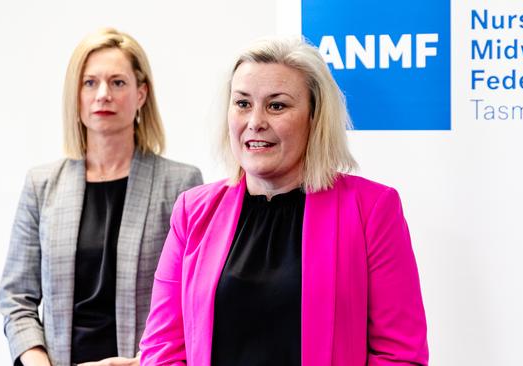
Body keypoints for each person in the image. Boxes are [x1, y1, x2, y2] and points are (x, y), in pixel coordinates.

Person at [139, 36, 428, 365]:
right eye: (243, 103)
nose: (255, 122)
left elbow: (400, 354)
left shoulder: (371, 210)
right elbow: (163, 347)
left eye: (277, 105)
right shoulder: (193, 212)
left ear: (314, 118)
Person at [0, 28, 202, 366]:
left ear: (141, 94)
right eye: (89, 83)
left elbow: (191, 298)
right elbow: (16, 298)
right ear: (74, 95)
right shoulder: (42, 184)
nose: (103, 94)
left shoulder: (181, 184)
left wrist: (144, 361)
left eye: (118, 82)